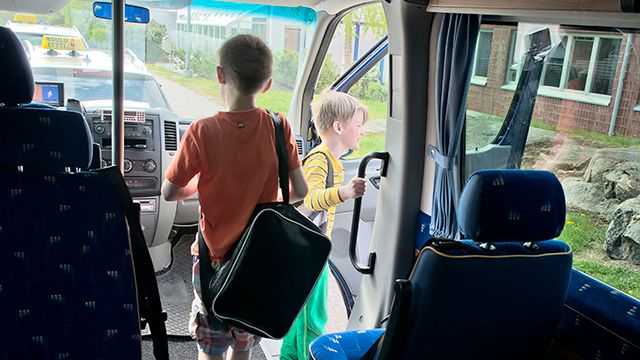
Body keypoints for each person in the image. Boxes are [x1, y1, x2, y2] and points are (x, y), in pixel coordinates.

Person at [161, 34, 308, 360]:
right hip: (259, 259)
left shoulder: (201, 131)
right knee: (244, 342)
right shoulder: (278, 125)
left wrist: (198, 185)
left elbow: (169, 192)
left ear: (220, 74)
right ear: (267, 84)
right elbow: (300, 192)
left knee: (211, 346)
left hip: (214, 262)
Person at [280, 90, 368, 360]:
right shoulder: (319, 159)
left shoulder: (332, 161)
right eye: (359, 124)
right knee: (313, 316)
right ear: (338, 127)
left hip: (312, 250)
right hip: (307, 252)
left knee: (301, 313)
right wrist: (344, 193)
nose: (362, 131)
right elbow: (311, 197)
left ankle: (290, 357)